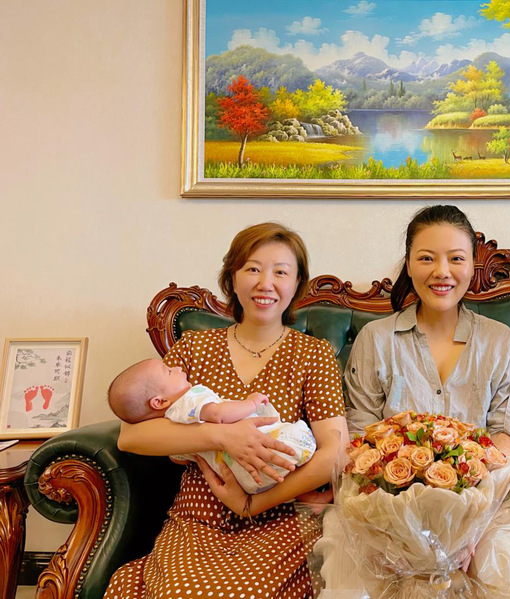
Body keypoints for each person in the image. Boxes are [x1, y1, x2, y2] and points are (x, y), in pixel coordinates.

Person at [318, 205, 510, 598]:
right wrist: (393, 530)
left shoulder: (499, 341)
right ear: (409, 264)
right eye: (427, 258)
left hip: (484, 513)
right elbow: (357, 439)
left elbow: (507, 436)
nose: (442, 272)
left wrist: (469, 528)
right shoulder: (376, 339)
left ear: (473, 265)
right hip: (379, 513)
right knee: (357, 579)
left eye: (456, 259)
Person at [103, 223, 348, 599]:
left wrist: (253, 503)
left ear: (297, 283)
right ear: (232, 277)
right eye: (253, 269)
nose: (265, 283)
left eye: (281, 272)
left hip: (281, 518)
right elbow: (132, 435)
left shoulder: (313, 354)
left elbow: (336, 450)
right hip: (198, 517)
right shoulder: (194, 348)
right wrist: (221, 435)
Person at [107, 358, 317, 493]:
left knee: (282, 470)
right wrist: (251, 403)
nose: (177, 367)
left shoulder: (170, 424)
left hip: (245, 481)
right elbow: (219, 414)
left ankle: (308, 495)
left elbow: (179, 458)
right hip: (266, 455)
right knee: (295, 436)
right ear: (159, 402)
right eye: (169, 371)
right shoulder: (190, 399)